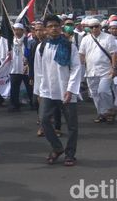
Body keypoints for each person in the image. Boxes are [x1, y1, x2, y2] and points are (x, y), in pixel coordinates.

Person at [34, 15, 82, 167]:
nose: (53, 28)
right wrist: (39, 92)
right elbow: (38, 71)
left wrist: (71, 89)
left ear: (60, 27)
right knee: (43, 120)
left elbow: (76, 68)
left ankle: (70, 154)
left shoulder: (69, 46)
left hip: (66, 91)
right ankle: (57, 148)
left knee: (72, 125)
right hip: (48, 91)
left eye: (56, 25)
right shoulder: (41, 47)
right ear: (46, 29)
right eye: (50, 26)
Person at [78, 18, 117, 123]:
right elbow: (81, 54)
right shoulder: (85, 39)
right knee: (95, 94)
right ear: (89, 28)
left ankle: (109, 110)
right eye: (92, 27)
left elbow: (114, 53)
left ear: (100, 27)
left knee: (103, 91)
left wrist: (114, 68)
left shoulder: (108, 38)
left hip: (106, 70)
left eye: (96, 26)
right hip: (91, 71)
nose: (94, 28)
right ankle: (101, 113)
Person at [9, 23, 32, 112]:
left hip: (25, 68)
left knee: (29, 87)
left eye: (19, 29)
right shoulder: (11, 41)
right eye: (15, 29)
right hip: (14, 69)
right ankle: (14, 105)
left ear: (23, 31)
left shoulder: (27, 40)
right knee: (14, 88)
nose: (17, 31)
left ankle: (33, 104)